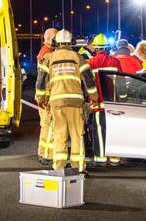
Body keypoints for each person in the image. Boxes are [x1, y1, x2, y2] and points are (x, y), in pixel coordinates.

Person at [35, 30, 99, 174]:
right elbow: (88, 80)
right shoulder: (78, 58)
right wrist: (94, 98)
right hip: (76, 104)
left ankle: (59, 168)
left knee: (59, 136)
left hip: (57, 104)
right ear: (71, 42)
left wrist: (40, 99)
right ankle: (79, 168)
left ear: (56, 42)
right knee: (77, 136)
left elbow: (40, 82)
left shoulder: (49, 58)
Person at [86, 33, 122, 164]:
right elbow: (120, 83)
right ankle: (115, 158)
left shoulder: (90, 62)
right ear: (107, 47)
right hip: (113, 104)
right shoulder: (115, 61)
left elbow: (87, 83)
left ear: (95, 48)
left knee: (99, 130)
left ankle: (100, 158)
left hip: (97, 104)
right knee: (114, 130)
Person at [36, 28, 58, 165]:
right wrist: (42, 98)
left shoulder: (47, 51)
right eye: (55, 37)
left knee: (47, 125)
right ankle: (46, 154)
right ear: (49, 38)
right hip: (47, 97)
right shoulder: (47, 53)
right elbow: (42, 79)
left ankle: (43, 152)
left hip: (46, 96)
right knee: (48, 125)